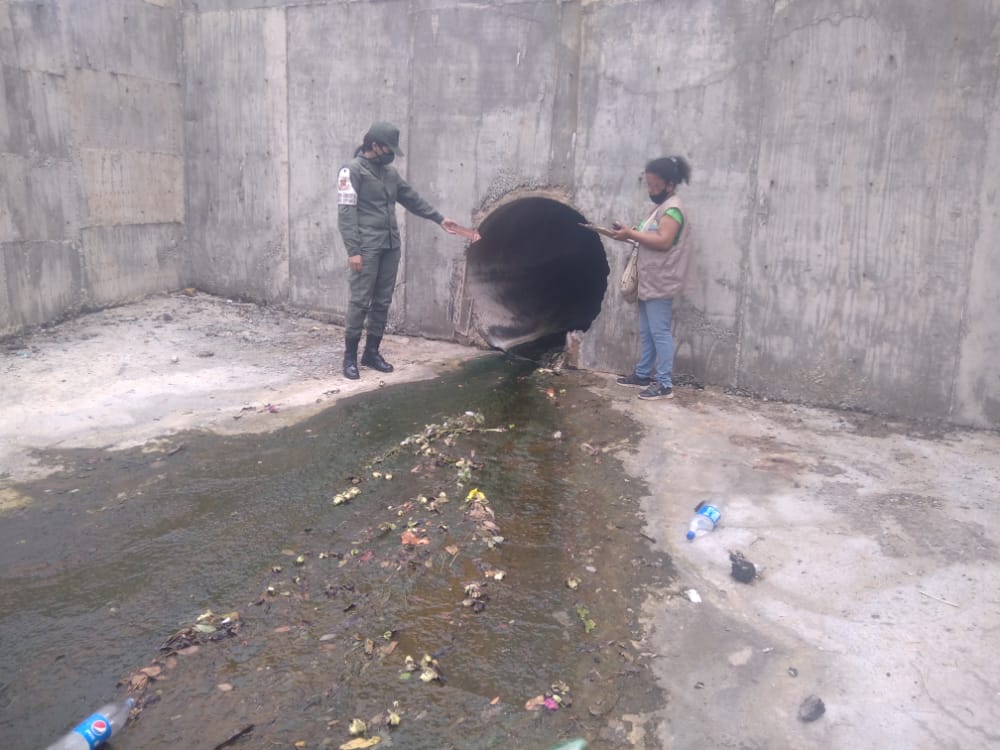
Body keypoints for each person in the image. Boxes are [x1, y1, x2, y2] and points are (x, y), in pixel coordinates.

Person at [337, 122, 461, 380]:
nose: (391, 153)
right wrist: (354, 250)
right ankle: (349, 358)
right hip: (367, 247)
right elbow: (346, 213)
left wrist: (439, 218)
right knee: (360, 301)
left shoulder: (390, 173)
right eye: (388, 147)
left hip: (391, 246)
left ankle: (371, 352)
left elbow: (411, 198)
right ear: (374, 145)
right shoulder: (351, 171)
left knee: (382, 301)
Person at [608, 155, 693, 400]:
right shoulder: (658, 208)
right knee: (646, 331)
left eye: (655, 186)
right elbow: (645, 235)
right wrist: (627, 233)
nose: (651, 190)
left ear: (670, 184)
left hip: (661, 280)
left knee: (660, 332)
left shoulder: (673, 209)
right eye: (648, 185)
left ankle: (664, 384)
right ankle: (643, 373)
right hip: (649, 279)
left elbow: (664, 241)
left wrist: (631, 234)